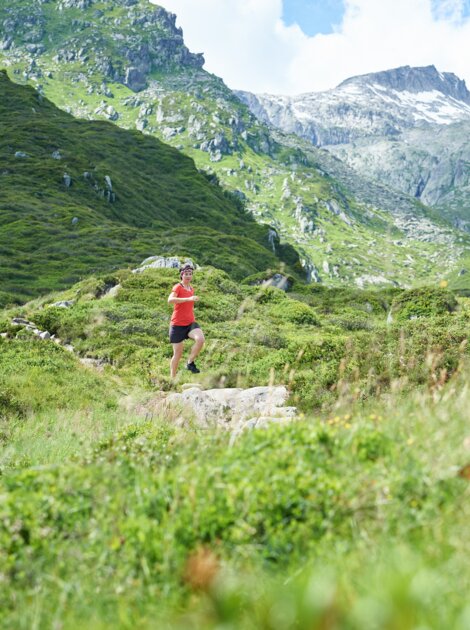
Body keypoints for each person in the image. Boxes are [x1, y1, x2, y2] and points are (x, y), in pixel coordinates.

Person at [168, 263, 205, 378]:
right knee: (177, 355)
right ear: (181, 275)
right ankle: (172, 379)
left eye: (190, 274)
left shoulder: (191, 288)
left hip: (190, 323)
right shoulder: (178, 287)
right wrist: (188, 299)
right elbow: (170, 300)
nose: (188, 276)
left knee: (200, 339)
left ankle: (189, 363)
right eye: (186, 274)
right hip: (177, 325)